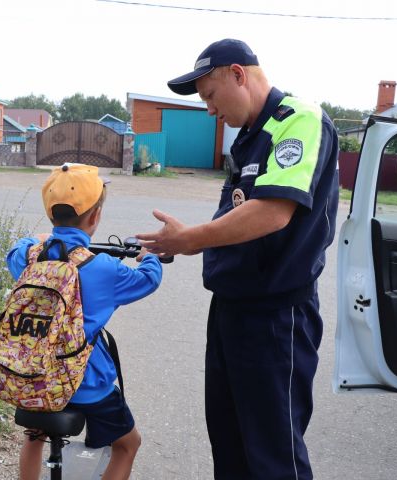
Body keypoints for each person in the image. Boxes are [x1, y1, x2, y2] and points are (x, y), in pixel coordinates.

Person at [137, 39, 339, 480]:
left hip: (276, 316)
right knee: (230, 444)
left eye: (210, 96)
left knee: (273, 453)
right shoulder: (250, 135)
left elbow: (272, 211)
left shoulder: (298, 121)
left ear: (238, 74)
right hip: (233, 308)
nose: (210, 111)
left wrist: (191, 239)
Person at [7, 163, 163, 480]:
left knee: (33, 435)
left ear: (50, 214)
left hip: (36, 378)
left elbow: (16, 248)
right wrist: (149, 257)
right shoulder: (105, 268)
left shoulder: (30, 257)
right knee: (128, 445)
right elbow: (148, 280)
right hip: (87, 387)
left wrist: (34, 238)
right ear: (94, 217)